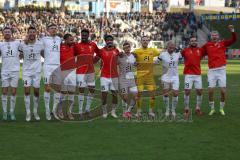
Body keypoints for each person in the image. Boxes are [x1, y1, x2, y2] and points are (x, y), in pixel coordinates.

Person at [202, 25, 237, 116]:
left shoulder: (223, 43)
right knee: (210, 91)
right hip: (212, 71)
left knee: (223, 91)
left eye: (216, 35)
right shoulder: (207, 45)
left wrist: (232, 31)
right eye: (213, 35)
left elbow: (233, 40)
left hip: (221, 70)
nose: (214, 36)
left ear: (218, 36)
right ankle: (212, 108)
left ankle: (221, 108)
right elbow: (199, 53)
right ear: (211, 37)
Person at [19, 26, 44, 121]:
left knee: (37, 92)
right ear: (28, 33)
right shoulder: (22, 44)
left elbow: (44, 54)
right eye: (30, 32)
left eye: (33, 31)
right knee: (26, 91)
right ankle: (28, 112)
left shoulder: (40, 44)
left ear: (36, 33)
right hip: (26, 71)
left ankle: (35, 111)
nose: (32, 33)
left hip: (37, 71)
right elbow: (20, 56)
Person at [133, 36, 159, 118]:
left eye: (146, 40)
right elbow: (130, 59)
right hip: (140, 76)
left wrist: (156, 61)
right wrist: (134, 63)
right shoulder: (136, 51)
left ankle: (151, 111)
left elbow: (161, 55)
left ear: (148, 41)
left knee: (153, 94)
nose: (145, 42)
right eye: (143, 40)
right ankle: (138, 111)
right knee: (139, 94)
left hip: (150, 77)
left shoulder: (153, 50)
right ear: (141, 41)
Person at [74, 29, 99, 116]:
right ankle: (80, 111)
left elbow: (99, 54)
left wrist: (94, 61)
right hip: (80, 72)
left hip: (91, 71)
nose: (84, 36)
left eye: (85, 35)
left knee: (92, 90)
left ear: (88, 35)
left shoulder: (93, 45)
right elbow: (71, 56)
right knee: (81, 91)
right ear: (81, 35)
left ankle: (87, 109)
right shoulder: (77, 45)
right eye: (82, 35)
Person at [155, 41, 182, 118]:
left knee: (176, 93)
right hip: (165, 77)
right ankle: (167, 109)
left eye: (173, 47)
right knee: (166, 94)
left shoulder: (178, 54)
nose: (172, 49)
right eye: (170, 47)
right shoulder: (162, 54)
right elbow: (156, 61)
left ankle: (173, 110)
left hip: (175, 77)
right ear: (167, 47)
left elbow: (183, 59)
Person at [41, 23, 62, 120]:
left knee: (58, 89)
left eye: (55, 28)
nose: (53, 30)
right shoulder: (44, 39)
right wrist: (47, 58)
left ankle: (54, 110)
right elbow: (41, 51)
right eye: (51, 28)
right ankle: (46, 110)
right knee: (47, 88)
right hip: (47, 66)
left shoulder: (59, 39)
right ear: (48, 30)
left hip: (57, 66)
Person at [96, 35, 119, 118]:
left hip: (114, 76)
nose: (109, 41)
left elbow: (119, 62)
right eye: (108, 40)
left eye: (111, 40)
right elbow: (95, 60)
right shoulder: (101, 51)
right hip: (104, 76)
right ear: (105, 41)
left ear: (112, 41)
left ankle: (113, 112)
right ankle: (104, 111)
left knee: (115, 95)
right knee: (104, 95)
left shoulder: (116, 51)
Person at [181, 36, 204, 118]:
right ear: (189, 42)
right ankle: (186, 109)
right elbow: (178, 57)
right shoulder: (184, 51)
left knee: (199, 92)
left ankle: (198, 108)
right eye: (192, 41)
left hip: (198, 75)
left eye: (195, 41)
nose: (193, 42)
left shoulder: (200, 50)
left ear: (196, 42)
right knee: (187, 91)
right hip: (188, 75)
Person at [0, 27, 20, 121]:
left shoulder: (17, 43)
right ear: (3, 34)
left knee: (13, 92)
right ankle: (4, 112)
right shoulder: (0, 44)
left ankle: (11, 112)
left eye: (9, 32)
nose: (7, 33)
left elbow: (24, 52)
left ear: (11, 33)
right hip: (4, 71)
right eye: (5, 32)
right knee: (4, 92)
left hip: (15, 71)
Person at [118, 41, 138, 119]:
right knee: (125, 97)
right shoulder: (120, 56)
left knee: (136, 97)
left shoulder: (133, 56)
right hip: (123, 79)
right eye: (125, 48)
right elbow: (113, 62)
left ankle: (127, 111)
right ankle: (125, 112)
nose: (127, 49)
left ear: (130, 48)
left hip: (132, 79)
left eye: (128, 47)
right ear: (123, 49)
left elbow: (135, 64)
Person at [59, 33, 76, 120]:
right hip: (63, 72)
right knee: (63, 92)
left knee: (72, 92)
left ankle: (69, 112)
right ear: (65, 40)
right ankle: (60, 110)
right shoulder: (60, 47)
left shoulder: (74, 46)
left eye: (73, 40)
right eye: (70, 40)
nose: (72, 41)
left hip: (73, 72)